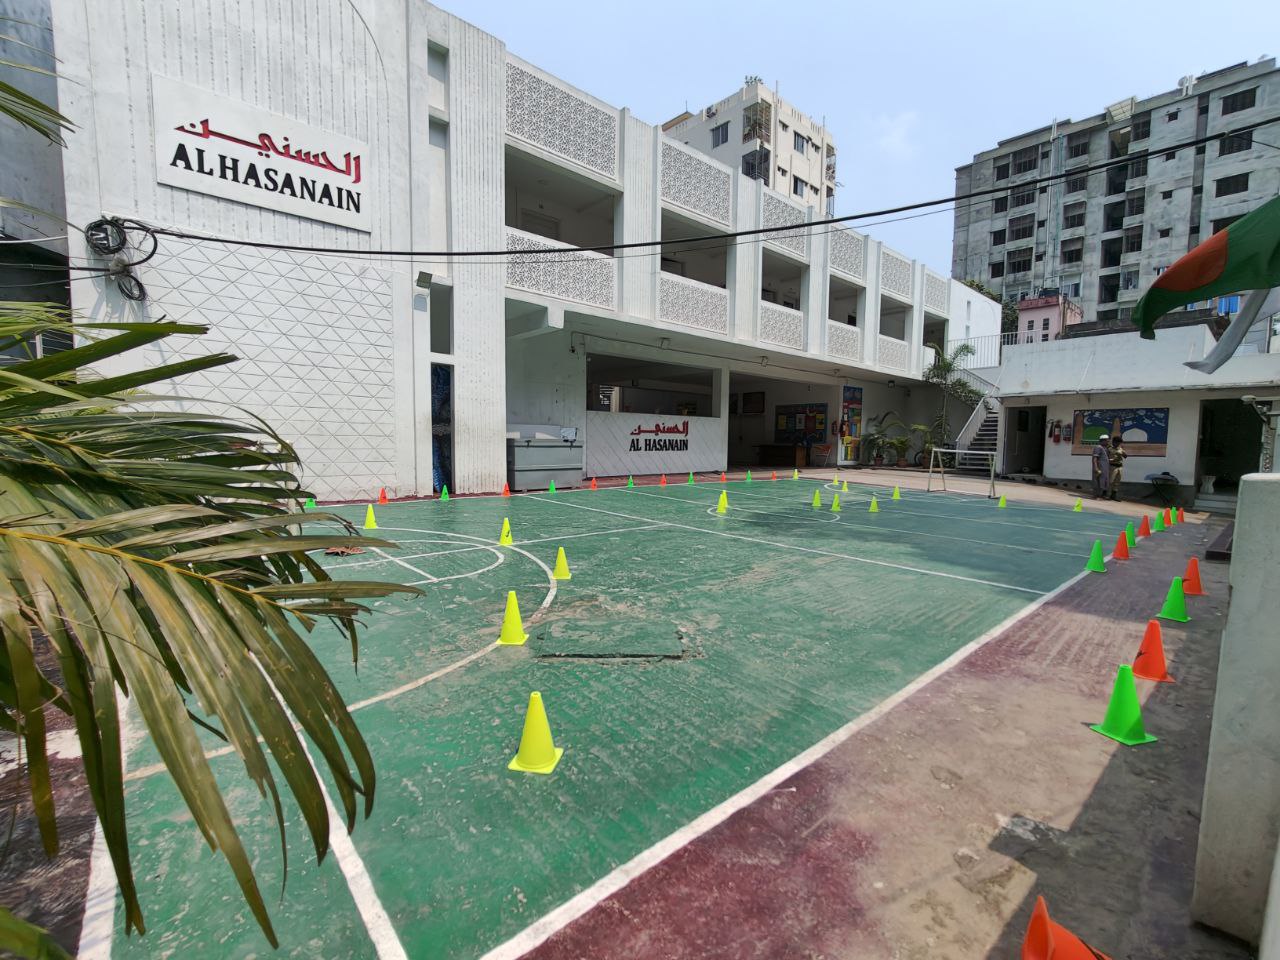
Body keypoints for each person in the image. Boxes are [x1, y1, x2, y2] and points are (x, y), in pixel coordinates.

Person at [1091, 435, 1111, 499]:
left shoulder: (1105, 448)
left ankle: (1101, 495)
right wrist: (1096, 468)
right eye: (1107, 441)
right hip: (1099, 467)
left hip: (1104, 468)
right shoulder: (1098, 447)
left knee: (1103, 481)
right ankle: (1096, 495)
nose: (1108, 442)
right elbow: (1095, 458)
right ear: (1103, 441)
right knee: (1097, 481)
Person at [1108, 435, 1127, 501]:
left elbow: (1125, 456)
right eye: (1117, 443)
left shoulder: (1120, 449)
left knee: (1117, 482)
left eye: (1119, 443)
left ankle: (1114, 496)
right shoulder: (1109, 449)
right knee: (1110, 481)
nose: (1118, 444)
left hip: (1120, 466)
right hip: (1112, 466)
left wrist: (1123, 453)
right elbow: (1106, 458)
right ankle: (1108, 495)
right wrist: (1112, 460)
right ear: (1113, 442)